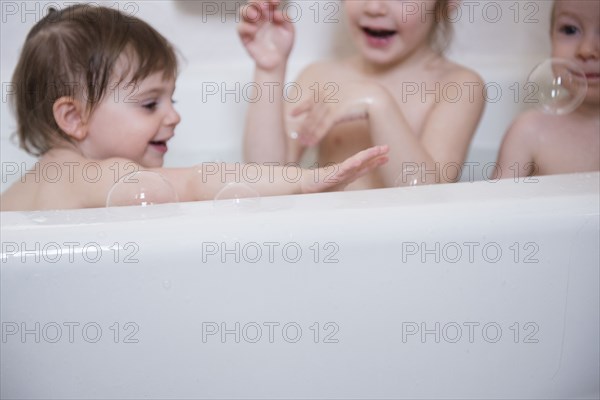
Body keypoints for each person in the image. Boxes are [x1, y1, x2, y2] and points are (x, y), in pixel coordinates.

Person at [0, 4, 389, 211]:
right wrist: (305, 182)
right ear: (72, 117)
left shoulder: (17, 196)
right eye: (150, 103)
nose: (174, 117)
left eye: (173, 99)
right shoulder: (106, 175)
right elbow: (197, 182)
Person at [238, 0, 485, 188]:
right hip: (327, 238)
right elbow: (265, 177)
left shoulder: (458, 87)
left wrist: (376, 102)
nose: (375, 7)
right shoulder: (320, 76)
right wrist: (269, 71)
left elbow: (428, 200)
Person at [494, 0, 599, 179]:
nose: (586, 50)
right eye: (569, 30)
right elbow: (494, 205)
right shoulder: (530, 131)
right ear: (551, 37)